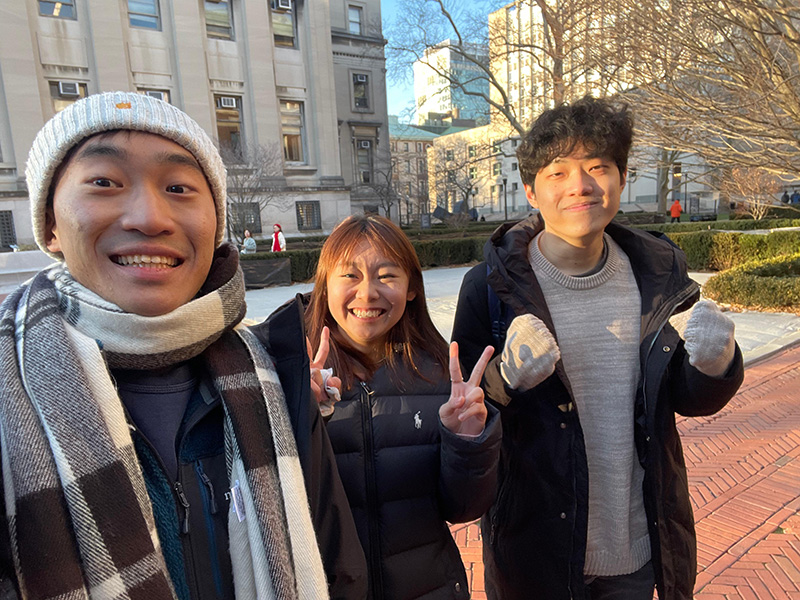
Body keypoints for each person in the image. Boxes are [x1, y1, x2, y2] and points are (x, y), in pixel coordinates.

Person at [0, 91, 366, 599]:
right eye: (104, 182)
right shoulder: (6, 396)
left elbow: (338, 565)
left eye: (178, 187)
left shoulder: (276, 379)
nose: (150, 218)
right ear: (49, 224)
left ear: (215, 224)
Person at [452, 96, 744, 600]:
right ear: (530, 190)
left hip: (636, 544)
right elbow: (465, 415)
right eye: (558, 172)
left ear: (621, 177)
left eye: (597, 167)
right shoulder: (490, 289)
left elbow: (683, 396)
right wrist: (508, 378)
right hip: (535, 549)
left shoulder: (660, 274)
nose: (580, 186)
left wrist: (716, 366)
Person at [304, 214, 501, 600]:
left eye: (387, 275)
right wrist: (297, 417)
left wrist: (466, 441)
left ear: (411, 288)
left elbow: (462, 507)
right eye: (349, 275)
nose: (368, 293)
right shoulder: (288, 371)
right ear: (324, 286)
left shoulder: (438, 375)